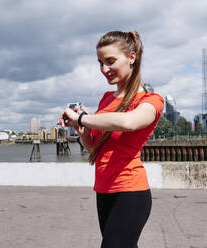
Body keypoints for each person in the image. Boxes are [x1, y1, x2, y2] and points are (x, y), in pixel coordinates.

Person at [58, 30, 164, 248]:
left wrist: (83, 118)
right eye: (100, 63)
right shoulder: (107, 99)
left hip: (130, 191)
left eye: (110, 61)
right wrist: (81, 130)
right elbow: (94, 147)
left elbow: (129, 122)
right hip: (104, 190)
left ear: (131, 57)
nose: (104, 70)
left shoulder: (151, 100)